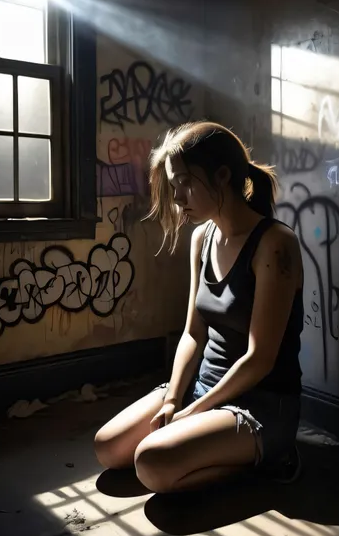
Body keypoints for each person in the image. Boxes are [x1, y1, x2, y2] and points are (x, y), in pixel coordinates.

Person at [94, 121, 304, 493]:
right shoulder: (201, 238)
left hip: (260, 406)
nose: (177, 199)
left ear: (222, 176)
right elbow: (194, 333)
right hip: (202, 390)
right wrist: (174, 399)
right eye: (174, 188)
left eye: (185, 185)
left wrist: (194, 412)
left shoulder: (275, 244)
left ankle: (272, 456)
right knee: (109, 448)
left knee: (151, 464)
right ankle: (198, 448)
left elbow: (261, 359)